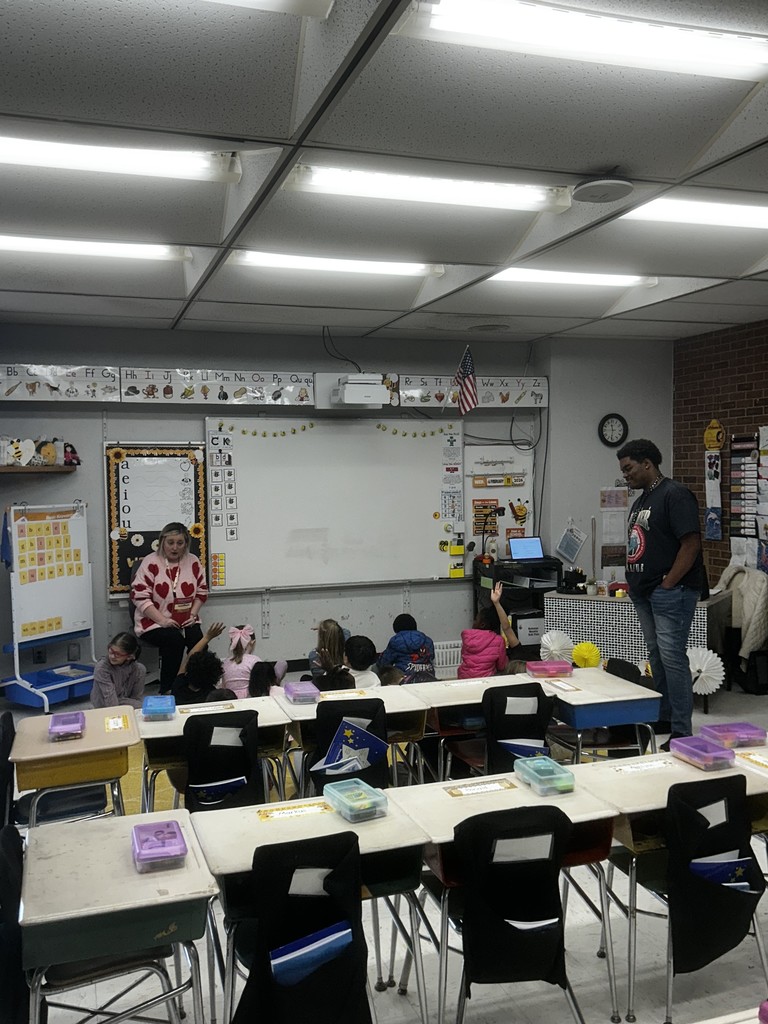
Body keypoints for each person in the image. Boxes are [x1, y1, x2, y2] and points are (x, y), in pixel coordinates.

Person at [618, 439, 706, 746]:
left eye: (628, 468)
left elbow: (691, 543)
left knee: (672, 658)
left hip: (671, 591)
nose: (625, 474)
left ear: (647, 464)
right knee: (657, 657)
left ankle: (682, 730)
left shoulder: (674, 494)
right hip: (644, 592)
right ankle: (666, 715)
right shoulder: (643, 500)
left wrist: (669, 582)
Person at [131, 522, 209, 694]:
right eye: (170, 542)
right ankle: (168, 688)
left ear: (186, 544)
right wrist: (163, 620)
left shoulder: (193, 561)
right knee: (175, 641)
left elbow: (202, 591)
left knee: (199, 640)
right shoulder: (150, 562)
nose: (174, 548)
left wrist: (194, 614)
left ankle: (198, 683)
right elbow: (139, 596)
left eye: (180, 543)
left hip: (187, 617)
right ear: (162, 542)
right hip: (154, 621)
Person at [458, 582, 520, 678]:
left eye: (476, 619)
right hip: (486, 680)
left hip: (464, 677)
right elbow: (502, 666)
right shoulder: (498, 640)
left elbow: (464, 657)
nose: (474, 621)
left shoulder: (466, 637)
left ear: (482, 624)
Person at [171, 621, 225, 705]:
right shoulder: (212, 694)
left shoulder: (178, 686)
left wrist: (207, 637)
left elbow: (190, 656)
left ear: (188, 671)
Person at [90, 632, 146, 709]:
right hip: (105, 702)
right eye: (111, 651)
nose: (112, 656)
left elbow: (136, 697)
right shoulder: (102, 668)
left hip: (125, 699)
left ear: (130, 657)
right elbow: (110, 700)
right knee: (142, 706)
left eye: (117, 654)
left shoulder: (135, 667)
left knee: (141, 668)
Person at [377, 614, 436, 683]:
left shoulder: (396, 641)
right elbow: (432, 657)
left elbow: (384, 663)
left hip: (406, 680)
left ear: (396, 628)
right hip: (429, 678)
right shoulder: (428, 640)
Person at [220, 624, 260, 699]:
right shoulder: (255, 661)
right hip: (250, 699)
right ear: (253, 642)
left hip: (229, 699)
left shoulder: (225, 663)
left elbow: (224, 686)